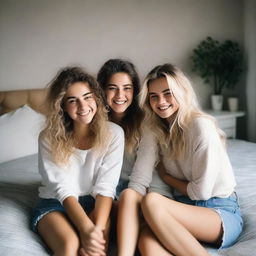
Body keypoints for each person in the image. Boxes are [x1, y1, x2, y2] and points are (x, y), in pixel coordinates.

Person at [128, 63, 243, 256]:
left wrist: (168, 178)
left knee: (152, 202)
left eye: (168, 93)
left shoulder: (200, 126)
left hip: (218, 211)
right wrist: (128, 205)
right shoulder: (152, 128)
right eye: (153, 96)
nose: (161, 102)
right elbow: (140, 178)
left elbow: (202, 192)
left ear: (181, 92)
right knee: (146, 242)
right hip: (180, 209)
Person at [31, 67, 124, 256]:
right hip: (56, 203)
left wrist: (95, 230)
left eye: (87, 97)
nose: (83, 106)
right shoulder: (48, 138)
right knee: (69, 246)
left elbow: (106, 186)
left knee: (96, 249)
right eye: (72, 100)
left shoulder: (114, 133)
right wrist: (85, 229)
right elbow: (62, 188)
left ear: (96, 98)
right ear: (62, 106)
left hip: (96, 202)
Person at [97, 59, 172, 255]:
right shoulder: (96, 123)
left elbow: (142, 179)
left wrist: (122, 204)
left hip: (147, 194)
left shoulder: (145, 123)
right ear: (102, 91)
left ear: (135, 91)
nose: (120, 95)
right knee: (96, 220)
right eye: (112, 88)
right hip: (115, 194)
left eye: (127, 88)